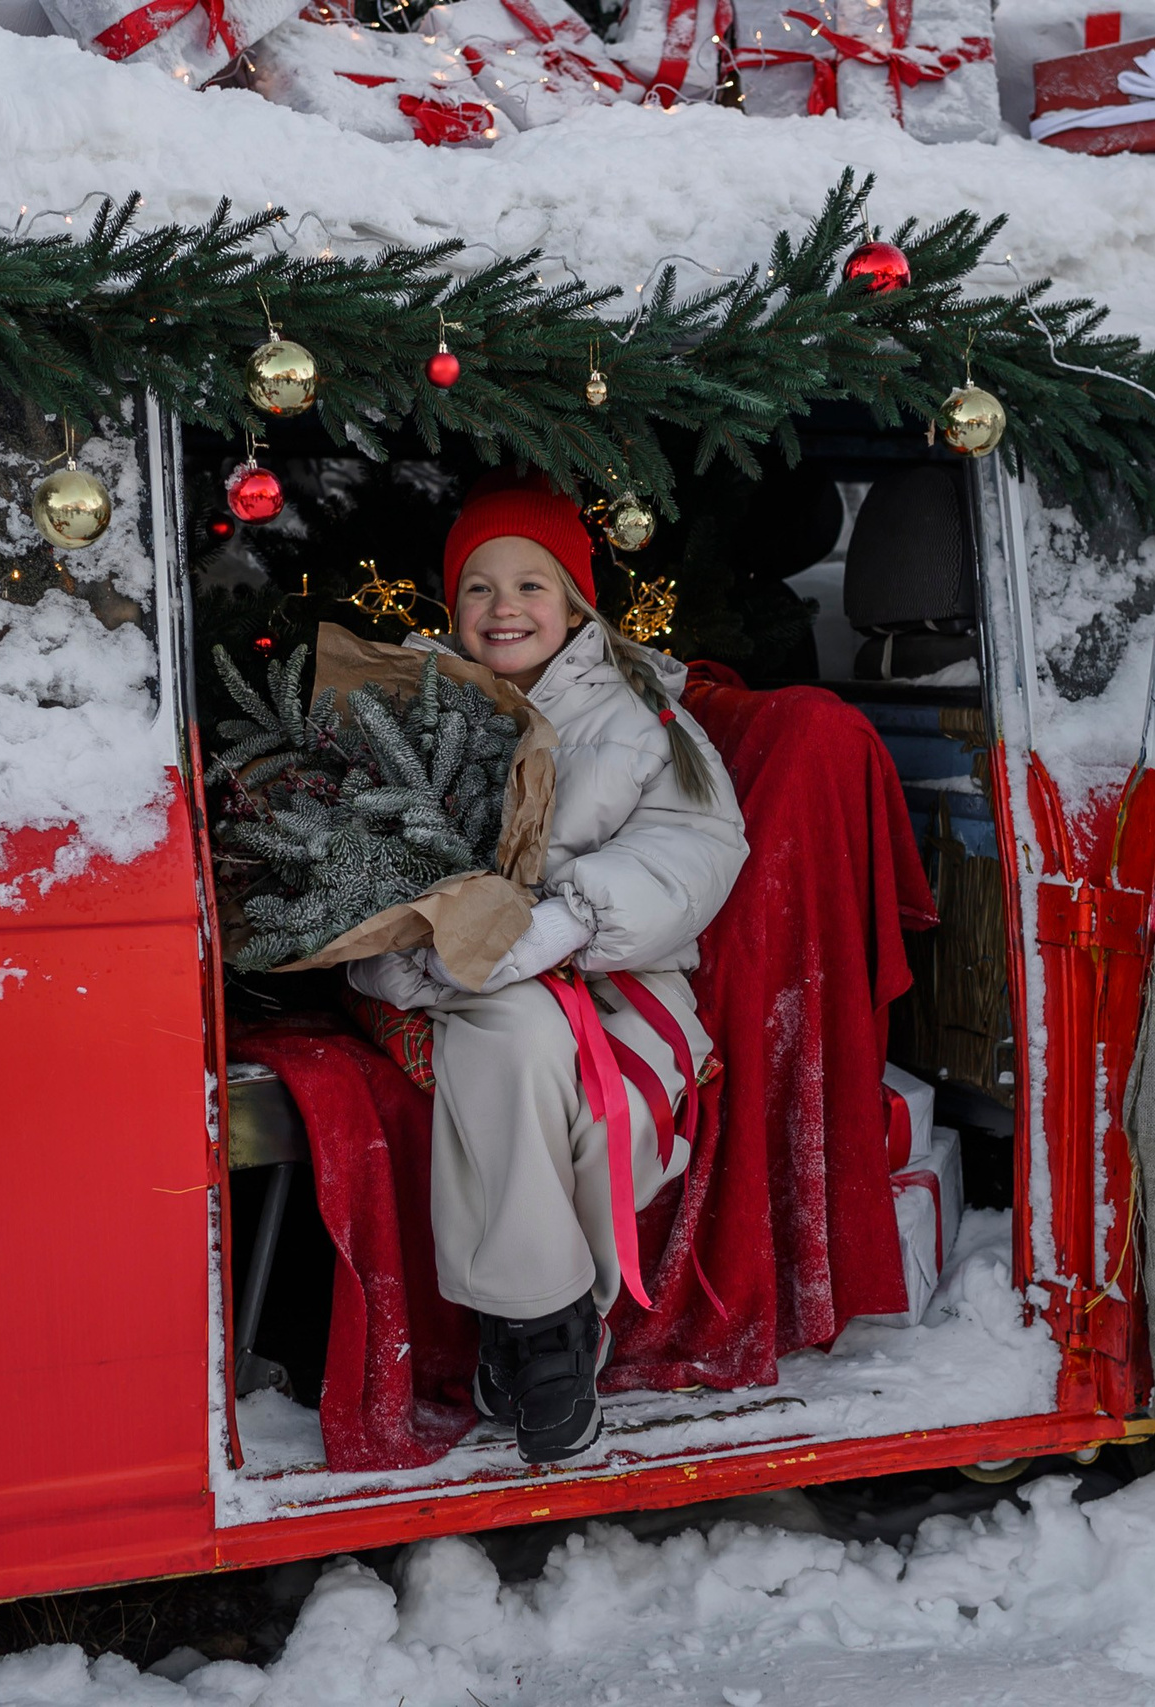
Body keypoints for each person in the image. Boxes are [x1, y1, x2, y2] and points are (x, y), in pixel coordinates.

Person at [347, 472, 748, 1464]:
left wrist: (569, 921)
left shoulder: (640, 714)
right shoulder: (406, 704)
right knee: (516, 1034)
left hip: (611, 971)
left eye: (532, 584)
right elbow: (351, 866)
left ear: (574, 601)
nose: (504, 608)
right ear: (452, 604)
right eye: (478, 587)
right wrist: (422, 959)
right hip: (464, 982)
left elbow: (699, 848)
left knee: (584, 1077)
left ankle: (534, 1330)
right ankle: (548, 1329)